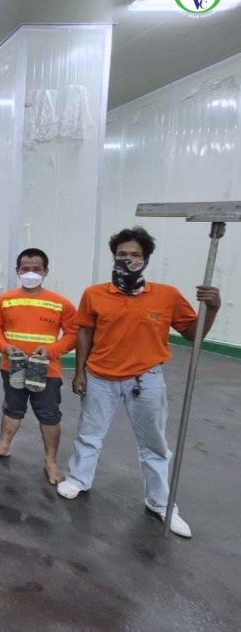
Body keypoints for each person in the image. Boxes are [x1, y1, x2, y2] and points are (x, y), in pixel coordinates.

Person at [56, 227, 221, 538]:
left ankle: (161, 502)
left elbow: (192, 333)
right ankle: (78, 478)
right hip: (100, 376)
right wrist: (80, 371)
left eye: (135, 255)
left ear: (146, 259)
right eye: (122, 254)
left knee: (153, 445)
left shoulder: (167, 295)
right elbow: (85, 331)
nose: (128, 259)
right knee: (89, 434)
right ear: (113, 257)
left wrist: (212, 308)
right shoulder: (94, 294)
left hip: (145, 380)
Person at [0, 248, 78, 484]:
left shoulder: (60, 303)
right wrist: (5, 347)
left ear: (45, 272)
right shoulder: (5, 300)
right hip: (12, 366)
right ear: (17, 271)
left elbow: (73, 334)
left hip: (46, 370)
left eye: (36, 269)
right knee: (12, 407)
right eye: (25, 269)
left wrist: (51, 350)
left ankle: (50, 461)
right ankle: (3, 445)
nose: (31, 274)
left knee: (49, 414)